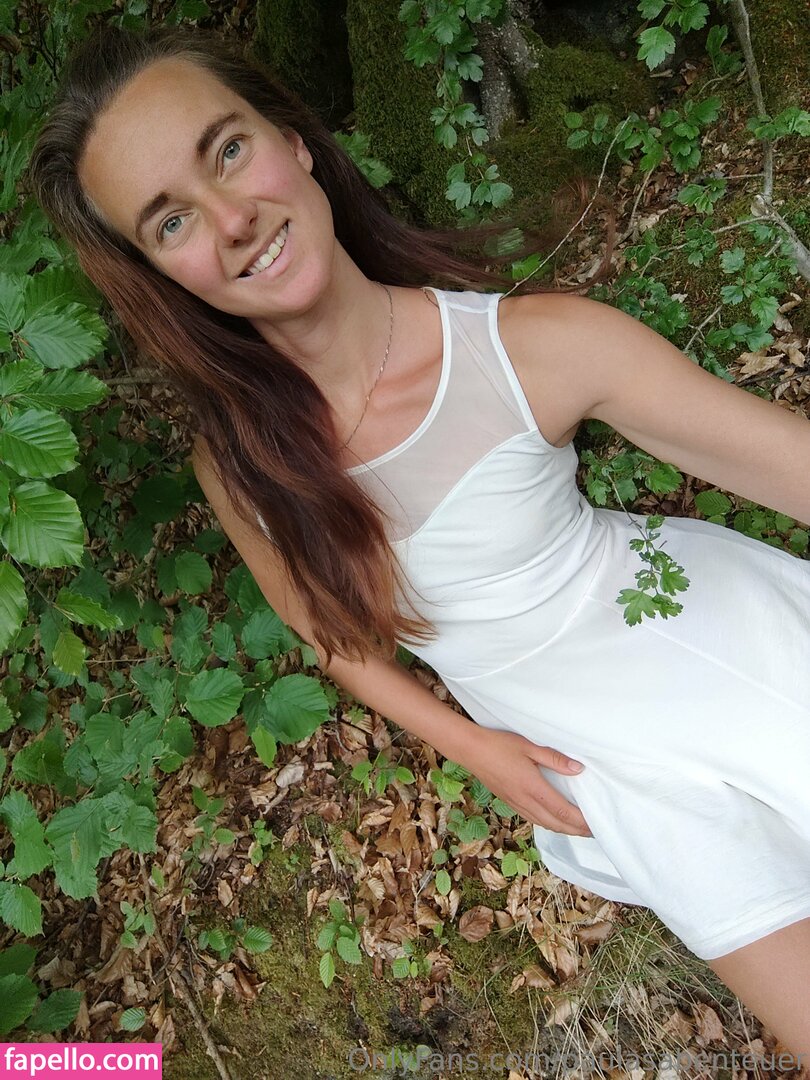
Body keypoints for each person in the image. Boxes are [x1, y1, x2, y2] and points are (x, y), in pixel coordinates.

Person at [29, 24, 810, 1059]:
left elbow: (790, 465)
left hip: (712, 641)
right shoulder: (246, 470)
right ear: (158, 274)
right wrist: (472, 746)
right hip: (599, 762)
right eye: (171, 220)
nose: (231, 219)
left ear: (295, 142)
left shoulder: (534, 347)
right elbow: (332, 639)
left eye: (228, 150)